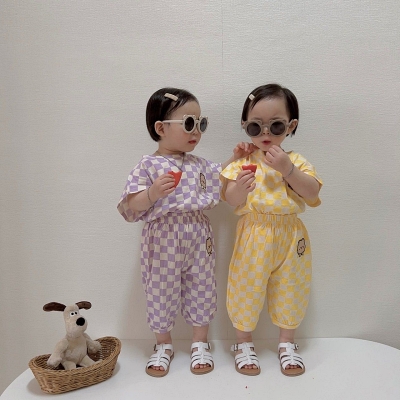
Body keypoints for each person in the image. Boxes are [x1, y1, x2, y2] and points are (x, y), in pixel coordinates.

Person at [117, 87, 253, 377]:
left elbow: (218, 177)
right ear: (161, 128)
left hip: (198, 235)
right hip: (162, 237)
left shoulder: (199, 164)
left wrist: (234, 158)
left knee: (202, 286)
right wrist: (151, 194)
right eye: (189, 123)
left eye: (201, 123)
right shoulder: (148, 164)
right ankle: (163, 344)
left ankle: (200, 343)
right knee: (159, 289)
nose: (197, 131)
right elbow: (130, 205)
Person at [220, 83, 323, 376]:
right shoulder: (243, 162)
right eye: (256, 127)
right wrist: (239, 189)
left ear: (291, 126)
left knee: (291, 287)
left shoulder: (296, 161)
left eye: (275, 126)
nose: (265, 133)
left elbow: (312, 192)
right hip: (254, 232)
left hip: (290, 235)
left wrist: (288, 170)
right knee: (246, 286)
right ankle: (243, 343)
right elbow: (229, 198)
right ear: (245, 126)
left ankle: (287, 343)